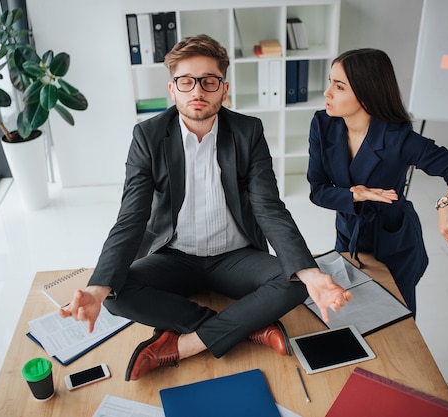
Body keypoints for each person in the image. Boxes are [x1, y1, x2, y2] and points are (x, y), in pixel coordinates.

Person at [59, 34, 351, 381]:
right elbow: (131, 218)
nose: (197, 91)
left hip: (235, 256)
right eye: (186, 82)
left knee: (297, 280)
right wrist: (96, 286)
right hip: (174, 255)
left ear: (223, 89)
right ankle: (246, 329)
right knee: (114, 295)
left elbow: (268, 208)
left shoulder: (247, 132)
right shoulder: (148, 137)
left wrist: (311, 272)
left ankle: (182, 344)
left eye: (208, 81)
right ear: (172, 88)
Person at [307, 48, 448, 316]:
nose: (327, 93)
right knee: (350, 311)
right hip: (348, 234)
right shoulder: (323, 124)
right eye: (330, 82)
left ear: (366, 94)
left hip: (393, 242)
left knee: (398, 319)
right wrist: (355, 196)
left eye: (339, 86)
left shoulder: (399, 139)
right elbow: (317, 191)